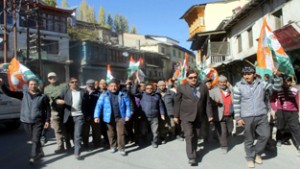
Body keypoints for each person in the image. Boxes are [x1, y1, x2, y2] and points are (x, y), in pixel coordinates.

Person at [233, 66, 277, 168]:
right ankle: (249, 157)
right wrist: (238, 118)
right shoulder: (238, 86)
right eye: (244, 74)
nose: (246, 76)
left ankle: (257, 153)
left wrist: (276, 76)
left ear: (254, 74)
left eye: (249, 74)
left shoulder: (262, 83)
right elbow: (236, 103)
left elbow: (275, 88)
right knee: (249, 139)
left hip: (261, 115)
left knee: (265, 135)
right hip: (247, 117)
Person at [0, 78, 50, 164]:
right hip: (26, 121)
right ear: (28, 85)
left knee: (35, 139)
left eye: (35, 84)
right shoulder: (23, 94)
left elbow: (48, 109)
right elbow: (9, 93)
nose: (33, 86)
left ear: (37, 85)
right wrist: (2, 85)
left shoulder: (43, 97)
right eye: (31, 84)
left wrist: (47, 120)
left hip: (38, 121)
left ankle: (33, 156)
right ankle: (40, 151)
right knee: (33, 138)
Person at [174, 70, 213, 166]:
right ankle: (191, 157)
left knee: (196, 135)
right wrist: (176, 115)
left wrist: (210, 115)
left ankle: (194, 151)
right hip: (186, 116)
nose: (193, 79)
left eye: (195, 77)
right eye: (191, 77)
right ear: (187, 78)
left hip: (199, 116)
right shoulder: (181, 87)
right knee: (189, 135)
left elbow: (207, 102)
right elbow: (177, 102)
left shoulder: (203, 87)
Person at [94, 79, 131, 156]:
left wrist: (128, 115)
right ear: (108, 87)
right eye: (111, 86)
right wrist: (96, 116)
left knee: (121, 133)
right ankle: (113, 146)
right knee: (111, 133)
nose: (113, 87)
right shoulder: (104, 95)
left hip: (120, 117)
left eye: (115, 86)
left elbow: (128, 106)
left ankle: (121, 148)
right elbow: (98, 106)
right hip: (109, 117)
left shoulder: (123, 95)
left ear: (118, 86)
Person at [56, 77, 85, 160]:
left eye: (76, 82)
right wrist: (59, 101)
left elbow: (86, 104)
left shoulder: (82, 92)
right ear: (69, 83)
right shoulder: (65, 91)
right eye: (72, 82)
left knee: (77, 134)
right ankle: (69, 145)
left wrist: (86, 114)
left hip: (79, 115)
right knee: (68, 133)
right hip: (68, 116)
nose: (74, 83)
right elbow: (57, 99)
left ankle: (77, 152)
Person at [270, 75, 300, 154]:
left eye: (287, 82)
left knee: (296, 128)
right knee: (280, 126)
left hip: (293, 112)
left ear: (290, 82)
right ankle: (279, 139)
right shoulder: (277, 89)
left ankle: (299, 145)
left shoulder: (295, 90)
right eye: (284, 81)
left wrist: (298, 111)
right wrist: (276, 109)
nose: (285, 83)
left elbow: (297, 101)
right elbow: (272, 100)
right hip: (281, 111)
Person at [134, 83, 166, 148]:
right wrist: (136, 83)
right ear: (145, 89)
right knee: (143, 131)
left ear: (153, 89)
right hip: (144, 117)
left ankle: (154, 142)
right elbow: (134, 93)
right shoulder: (142, 95)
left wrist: (162, 113)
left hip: (154, 117)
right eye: (147, 88)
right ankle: (144, 138)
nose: (149, 90)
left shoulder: (157, 96)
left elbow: (161, 105)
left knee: (155, 132)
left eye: (151, 88)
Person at [209, 75, 234, 154]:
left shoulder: (230, 90)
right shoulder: (213, 91)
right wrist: (215, 102)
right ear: (218, 83)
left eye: (224, 82)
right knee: (222, 131)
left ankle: (221, 138)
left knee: (229, 130)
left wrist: (231, 87)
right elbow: (208, 103)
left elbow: (237, 96)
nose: (223, 84)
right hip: (219, 114)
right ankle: (224, 145)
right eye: (221, 82)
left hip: (229, 114)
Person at [43, 72, 67, 153]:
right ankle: (60, 146)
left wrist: (63, 101)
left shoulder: (63, 85)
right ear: (48, 79)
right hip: (54, 111)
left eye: (53, 77)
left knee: (66, 128)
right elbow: (46, 100)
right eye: (50, 78)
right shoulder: (46, 88)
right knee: (57, 129)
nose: (52, 79)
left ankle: (69, 143)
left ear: (57, 77)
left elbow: (69, 96)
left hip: (65, 110)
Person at [82, 79, 101, 150]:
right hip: (85, 115)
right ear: (86, 85)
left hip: (94, 115)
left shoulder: (98, 93)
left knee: (96, 131)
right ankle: (85, 144)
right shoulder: (83, 92)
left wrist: (92, 94)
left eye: (92, 85)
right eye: (89, 85)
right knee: (85, 131)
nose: (90, 87)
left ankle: (96, 143)